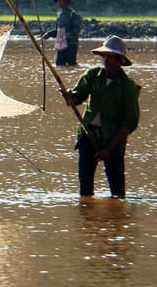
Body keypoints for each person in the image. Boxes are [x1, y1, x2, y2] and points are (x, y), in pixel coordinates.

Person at [60, 36, 140, 199]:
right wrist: (68, 95)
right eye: (104, 56)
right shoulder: (92, 75)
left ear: (120, 60)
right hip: (88, 135)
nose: (106, 60)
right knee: (85, 190)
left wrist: (108, 149)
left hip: (113, 139)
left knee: (117, 193)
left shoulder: (128, 87)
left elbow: (129, 123)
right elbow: (76, 99)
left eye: (110, 57)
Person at [44, 0, 83, 66]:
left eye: (60, 0)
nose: (58, 2)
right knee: (59, 64)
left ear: (66, 1)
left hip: (71, 44)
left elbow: (77, 29)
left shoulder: (73, 14)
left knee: (71, 64)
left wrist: (70, 34)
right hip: (61, 44)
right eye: (58, 1)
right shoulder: (59, 15)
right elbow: (58, 30)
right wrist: (49, 34)